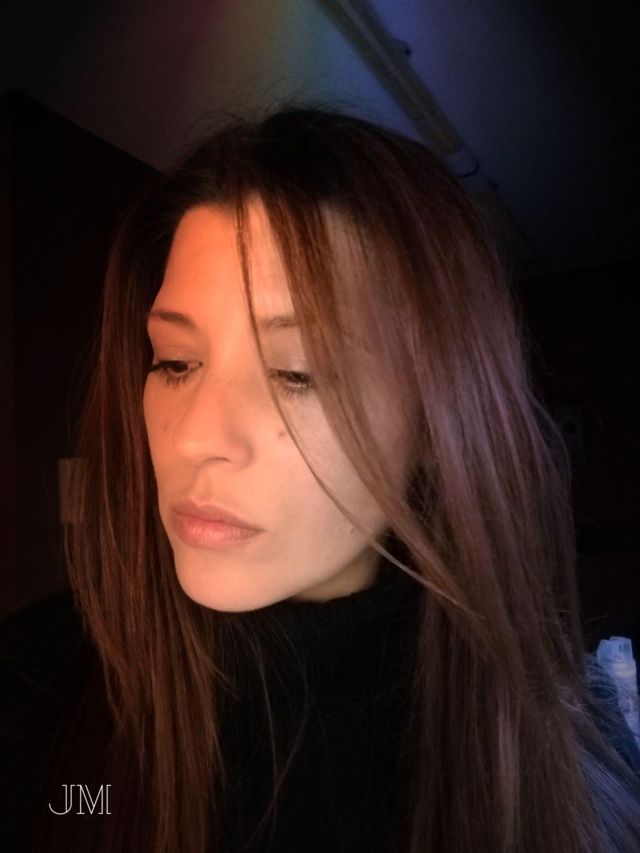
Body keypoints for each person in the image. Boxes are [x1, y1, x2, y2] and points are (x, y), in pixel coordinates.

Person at [1, 105, 639, 853]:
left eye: (296, 373)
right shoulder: (37, 701)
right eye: (175, 362)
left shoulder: (571, 768)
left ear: (438, 421)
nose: (195, 436)